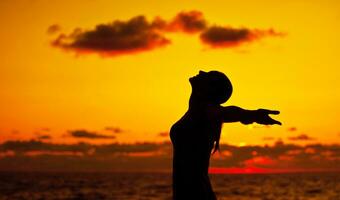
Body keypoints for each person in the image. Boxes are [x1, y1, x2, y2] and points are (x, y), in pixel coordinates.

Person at [170, 70, 281, 200]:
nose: (201, 71)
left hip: (197, 194)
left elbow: (231, 112)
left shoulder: (206, 112)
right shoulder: (197, 112)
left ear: (209, 89)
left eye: (208, 75)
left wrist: (252, 114)